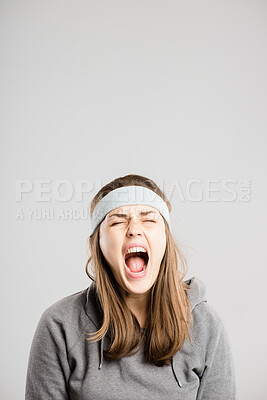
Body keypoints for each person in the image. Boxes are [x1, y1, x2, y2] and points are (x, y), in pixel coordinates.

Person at [25, 174, 236, 399]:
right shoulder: (59, 326)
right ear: (97, 244)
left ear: (166, 239)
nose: (134, 229)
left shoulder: (206, 326)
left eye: (149, 219)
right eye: (117, 221)